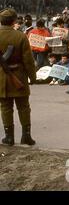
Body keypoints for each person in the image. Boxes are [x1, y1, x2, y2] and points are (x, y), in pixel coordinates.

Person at [0, 8, 37, 146]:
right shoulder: (20, 36)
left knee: (5, 107)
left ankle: (9, 137)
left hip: (2, 77)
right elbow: (28, 60)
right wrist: (32, 78)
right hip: (19, 75)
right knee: (23, 107)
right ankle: (26, 136)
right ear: (14, 21)